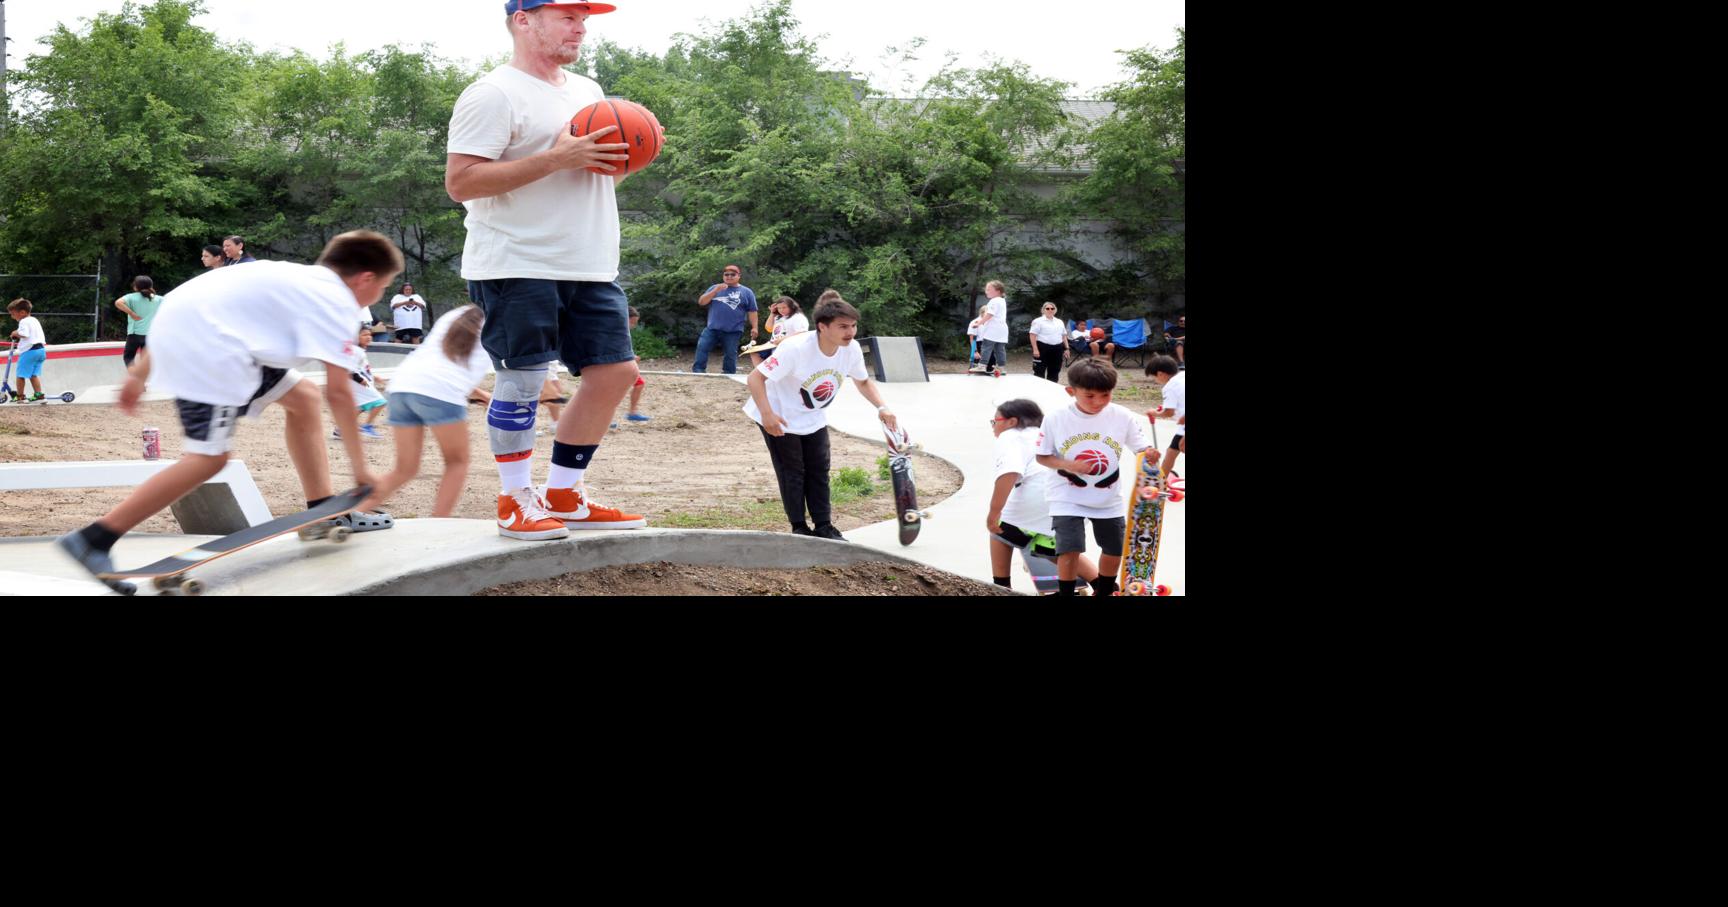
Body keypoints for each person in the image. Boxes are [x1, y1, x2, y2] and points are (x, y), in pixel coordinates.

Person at [54, 231, 405, 590]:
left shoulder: (295, 276)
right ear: (365, 278)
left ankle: (320, 510)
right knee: (209, 458)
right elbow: (341, 393)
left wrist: (139, 373)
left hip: (207, 336)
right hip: (212, 353)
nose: (377, 297)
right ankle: (94, 538)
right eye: (383, 287)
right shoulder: (338, 302)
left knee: (303, 398)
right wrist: (363, 473)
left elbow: (195, 302)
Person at [446, 0, 646, 539]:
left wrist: (626, 159)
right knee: (524, 381)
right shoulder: (492, 93)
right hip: (516, 259)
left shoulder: (590, 92)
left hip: (590, 261)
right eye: (567, 15)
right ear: (524, 20)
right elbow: (462, 183)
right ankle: (514, 500)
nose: (581, 26)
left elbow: (593, 176)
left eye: (585, 18)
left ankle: (564, 493)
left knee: (616, 374)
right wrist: (556, 159)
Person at [745, 292, 899, 540]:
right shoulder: (795, 349)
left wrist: (883, 407)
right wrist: (767, 415)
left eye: (853, 326)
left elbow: (863, 382)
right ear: (822, 327)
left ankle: (824, 526)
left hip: (811, 415)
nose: (850, 332)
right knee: (793, 470)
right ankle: (799, 527)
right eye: (843, 327)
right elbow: (755, 378)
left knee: (819, 468)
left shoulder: (851, 349)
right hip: (777, 412)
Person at [1034, 357, 1151, 598]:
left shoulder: (1122, 415)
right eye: (1089, 396)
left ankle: (1105, 591)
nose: (1098, 402)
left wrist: (1150, 454)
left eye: (1105, 395)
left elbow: (1141, 448)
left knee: (1114, 548)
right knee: (1070, 548)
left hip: (1108, 497)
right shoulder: (1056, 418)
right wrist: (1068, 464)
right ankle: (1067, 593)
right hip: (1066, 495)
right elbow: (1042, 457)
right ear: (1071, 391)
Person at [369, 306, 492, 519]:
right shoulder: (502, 320)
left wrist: (479, 393)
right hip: (441, 392)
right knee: (456, 463)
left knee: (404, 469)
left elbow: (440, 362)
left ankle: (349, 513)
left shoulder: (455, 314)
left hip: (402, 385)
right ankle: (438, 523)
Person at [987, 398, 1099, 594]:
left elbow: (1009, 473)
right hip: (1076, 499)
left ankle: (1001, 587)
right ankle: (1107, 586)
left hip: (1042, 495)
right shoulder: (1047, 433)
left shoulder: (1012, 436)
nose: (993, 426)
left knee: (1000, 531)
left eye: (995, 421)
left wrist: (994, 512)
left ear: (1012, 422)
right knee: (1052, 548)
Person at [693, 264, 759, 374]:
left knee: (730, 353)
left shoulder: (746, 292)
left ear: (739, 276)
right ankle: (698, 370)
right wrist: (715, 291)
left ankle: (729, 372)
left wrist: (755, 327)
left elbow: (752, 311)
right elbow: (702, 302)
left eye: (732, 274)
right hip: (712, 327)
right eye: (726, 274)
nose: (729, 276)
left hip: (733, 329)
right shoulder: (715, 288)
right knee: (702, 347)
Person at [332, 326, 389, 440]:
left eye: (370, 334)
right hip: (357, 382)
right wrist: (360, 379)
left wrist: (373, 376)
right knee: (380, 402)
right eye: (364, 335)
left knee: (360, 406)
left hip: (358, 381)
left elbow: (360, 368)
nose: (368, 337)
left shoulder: (359, 350)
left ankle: (340, 429)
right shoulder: (355, 350)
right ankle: (367, 426)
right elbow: (348, 368)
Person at [1146, 354, 1186, 478]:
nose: (1156, 381)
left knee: (1173, 451)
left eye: (1154, 378)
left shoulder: (1170, 387)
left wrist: (1155, 413)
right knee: (1172, 451)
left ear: (1161, 374)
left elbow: (1169, 412)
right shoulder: (1182, 375)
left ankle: (1160, 481)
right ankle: (1162, 478)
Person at [6, 299, 49, 403]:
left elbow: (24, 334)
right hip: (41, 351)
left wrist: (15, 333)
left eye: (13, 314)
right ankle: (39, 395)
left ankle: (20, 397)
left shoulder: (23, 321)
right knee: (34, 375)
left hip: (29, 351)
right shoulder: (34, 320)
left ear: (22, 312)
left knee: (21, 375)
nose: (12, 317)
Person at [115, 276, 163, 368]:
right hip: (150, 334)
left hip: (134, 334)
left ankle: (136, 378)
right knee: (145, 359)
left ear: (135, 286)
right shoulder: (158, 298)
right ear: (151, 286)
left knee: (129, 357)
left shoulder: (131, 297)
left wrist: (132, 313)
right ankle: (143, 380)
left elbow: (118, 303)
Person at [971, 280, 1009, 376]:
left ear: (998, 291)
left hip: (993, 329)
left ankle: (982, 365)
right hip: (1002, 329)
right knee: (999, 349)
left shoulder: (994, 301)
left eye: (988, 289)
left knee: (986, 346)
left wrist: (979, 323)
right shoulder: (1002, 300)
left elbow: (989, 314)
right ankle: (1001, 367)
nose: (986, 291)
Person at [756, 295, 807, 366]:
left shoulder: (798, 317)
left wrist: (783, 340)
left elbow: (802, 334)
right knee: (755, 353)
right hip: (773, 346)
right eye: (779, 308)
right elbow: (768, 328)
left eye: (784, 307)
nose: (781, 310)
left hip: (788, 348)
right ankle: (763, 375)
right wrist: (772, 313)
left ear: (791, 306)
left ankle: (766, 375)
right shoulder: (778, 317)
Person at [1028, 301, 1067, 383]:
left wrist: (1067, 348)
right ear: (1043, 310)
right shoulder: (1038, 321)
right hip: (1042, 347)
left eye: (1052, 308)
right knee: (1039, 370)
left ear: (1055, 310)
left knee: (1055, 370)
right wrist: (1035, 349)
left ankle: (1052, 390)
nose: (1050, 310)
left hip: (1057, 348)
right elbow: (1032, 335)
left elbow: (1064, 336)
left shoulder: (1059, 321)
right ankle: (1039, 391)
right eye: (1047, 308)